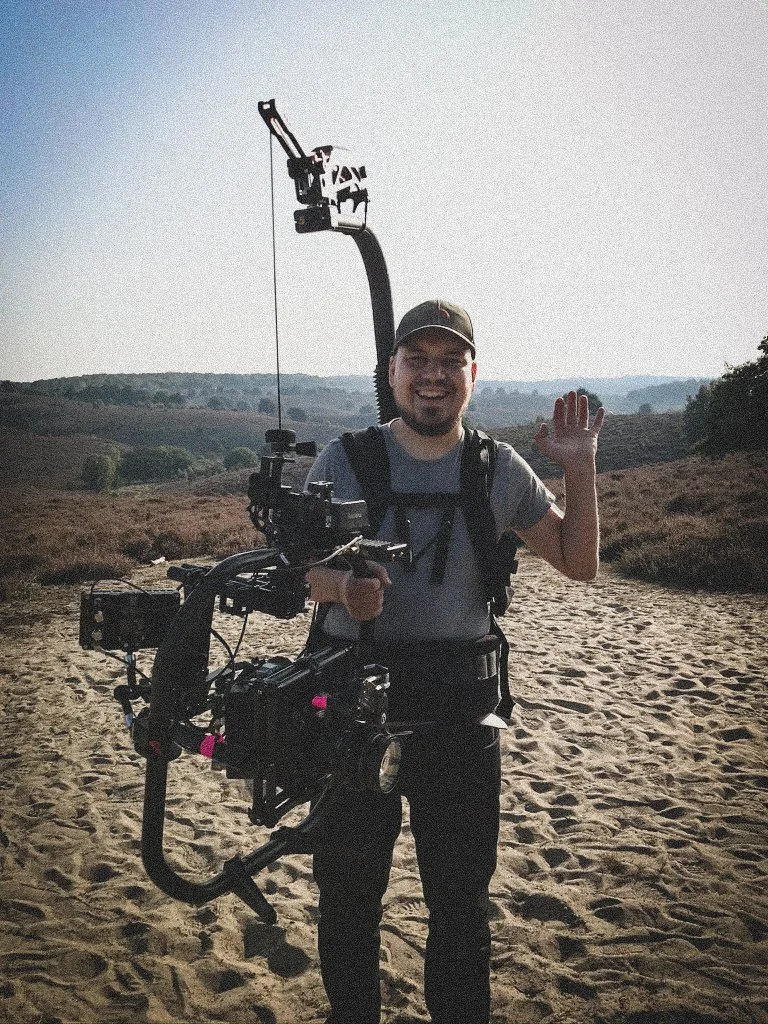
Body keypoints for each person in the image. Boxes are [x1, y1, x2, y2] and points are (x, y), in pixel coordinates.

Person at [304, 299, 604, 1024]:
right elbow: (296, 572)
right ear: (392, 371)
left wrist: (580, 468)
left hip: (462, 719)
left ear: (473, 373)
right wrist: (343, 587)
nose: (432, 377)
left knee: (462, 911)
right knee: (347, 903)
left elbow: (579, 562)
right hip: (350, 712)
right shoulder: (346, 458)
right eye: (418, 361)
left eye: (449, 361)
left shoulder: (497, 468)